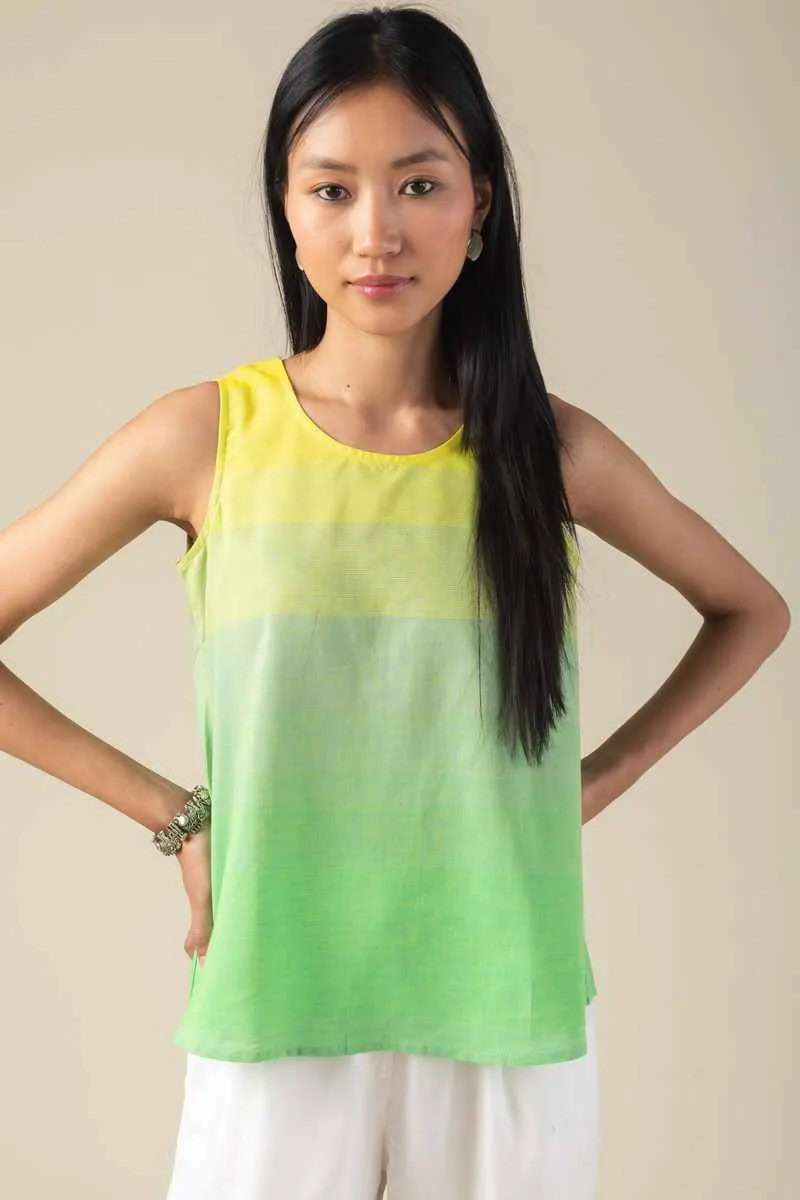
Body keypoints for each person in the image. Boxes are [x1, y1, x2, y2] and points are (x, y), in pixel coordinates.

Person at [0, 6, 790, 1199]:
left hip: (505, 1002)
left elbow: (749, 610)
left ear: (480, 205)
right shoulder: (206, 437)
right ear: (285, 209)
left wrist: (585, 785)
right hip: (276, 989)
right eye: (332, 190)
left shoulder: (547, 452)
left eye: (418, 184)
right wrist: (177, 816)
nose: (376, 232)